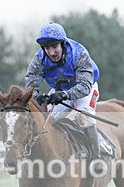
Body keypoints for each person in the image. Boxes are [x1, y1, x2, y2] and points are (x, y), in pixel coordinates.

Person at [24, 22, 107, 166]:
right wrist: (36, 97)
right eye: (47, 48)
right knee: (45, 120)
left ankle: (97, 157)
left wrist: (63, 95)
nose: (51, 52)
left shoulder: (79, 54)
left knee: (83, 116)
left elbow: (84, 86)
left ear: (62, 44)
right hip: (61, 88)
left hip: (85, 88)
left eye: (54, 46)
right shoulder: (39, 58)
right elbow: (31, 82)